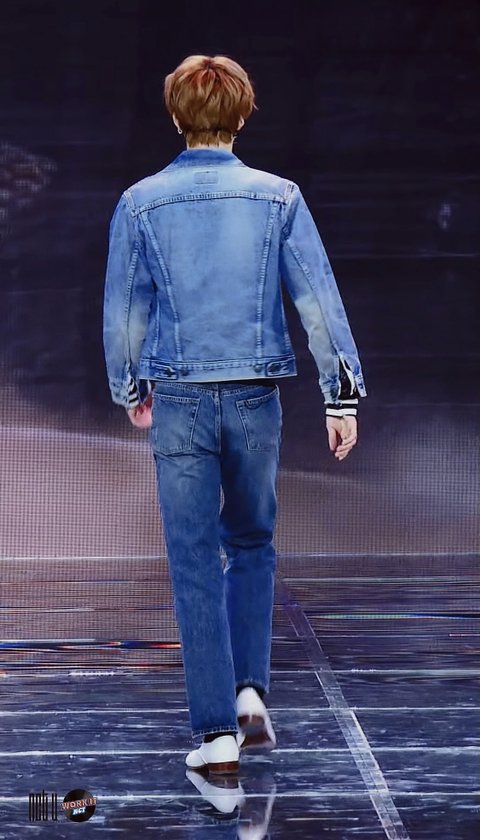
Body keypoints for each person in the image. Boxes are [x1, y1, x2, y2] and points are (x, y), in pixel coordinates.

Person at [103, 53, 366, 776]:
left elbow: (125, 312)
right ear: (243, 114)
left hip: (181, 398)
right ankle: (250, 691)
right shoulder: (278, 198)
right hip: (255, 397)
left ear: (175, 116)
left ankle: (217, 733)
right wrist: (340, 395)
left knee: (193, 558)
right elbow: (316, 300)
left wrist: (130, 390)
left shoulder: (140, 203)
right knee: (251, 542)